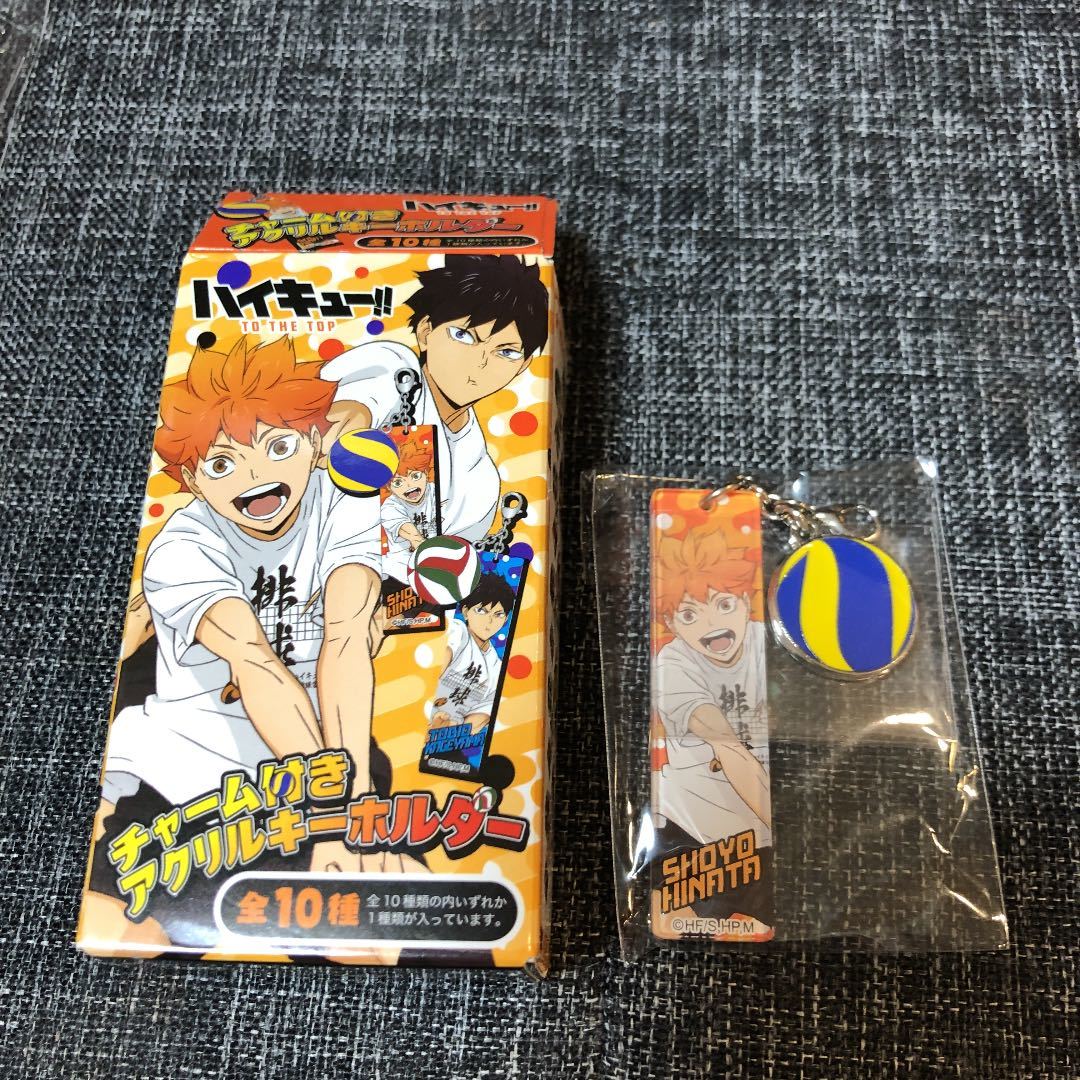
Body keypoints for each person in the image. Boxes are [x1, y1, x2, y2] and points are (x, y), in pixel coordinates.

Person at [88, 335, 406, 947]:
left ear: (316, 443)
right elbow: (254, 662)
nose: (257, 477)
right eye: (222, 464)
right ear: (189, 478)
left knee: (388, 924)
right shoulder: (181, 548)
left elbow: (344, 639)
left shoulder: (348, 499)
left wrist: (351, 811)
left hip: (331, 749)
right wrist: (332, 819)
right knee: (130, 934)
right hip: (187, 767)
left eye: (279, 447)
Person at [321, 254, 548, 545]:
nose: (480, 362)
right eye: (463, 336)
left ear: (523, 365)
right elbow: (367, 391)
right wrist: (346, 420)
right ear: (426, 332)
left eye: (506, 352)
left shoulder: (480, 481)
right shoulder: (396, 369)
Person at [431, 574, 515, 735]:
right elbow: (441, 658)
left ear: (505, 620)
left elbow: (481, 718)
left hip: (447, 737)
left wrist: (449, 731)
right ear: (465, 611)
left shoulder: (497, 668)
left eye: (498, 614)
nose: (489, 621)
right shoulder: (457, 631)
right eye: (481, 610)